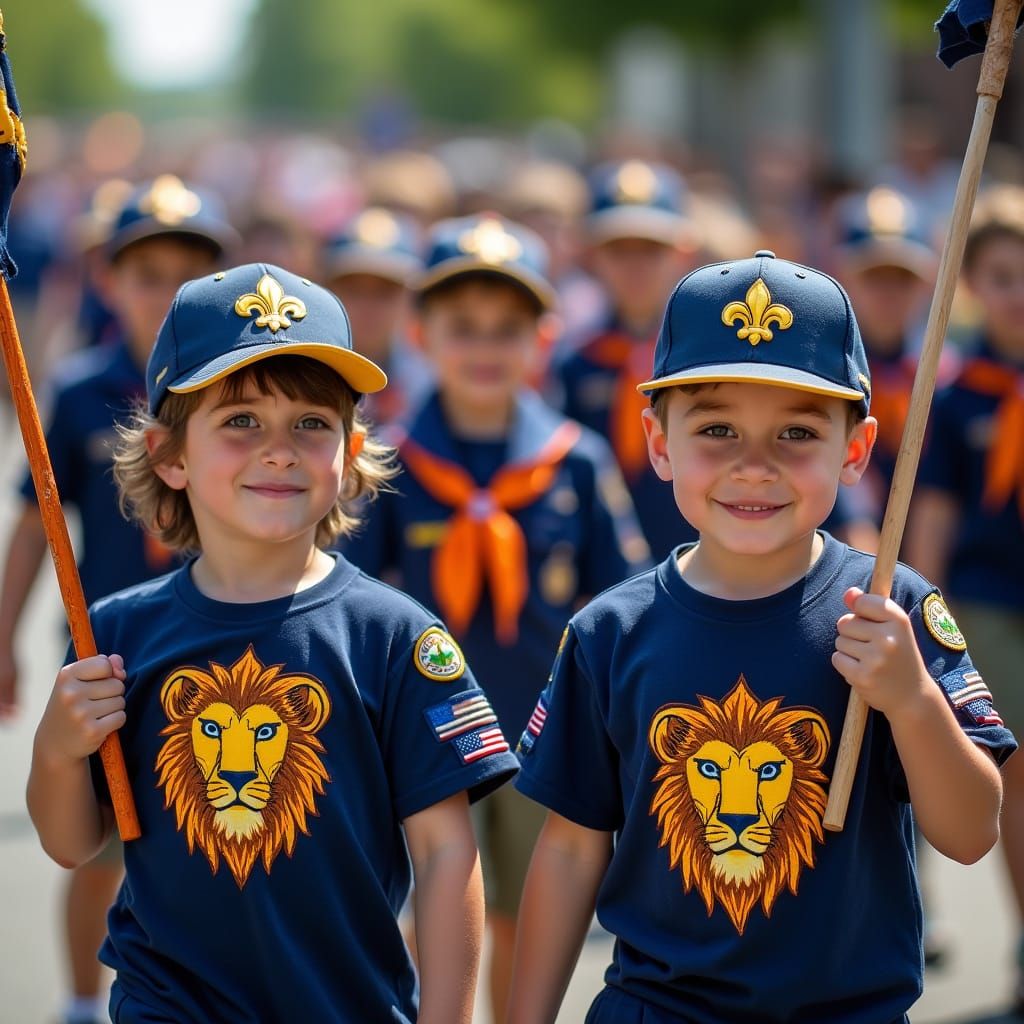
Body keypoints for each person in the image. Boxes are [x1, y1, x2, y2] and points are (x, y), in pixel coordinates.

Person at [508, 250, 1015, 1024]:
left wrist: (911, 700)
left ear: (855, 448)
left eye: (795, 434)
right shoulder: (609, 631)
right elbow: (572, 849)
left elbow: (973, 832)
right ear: (657, 441)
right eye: (717, 429)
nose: (754, 467)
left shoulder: (893, 606)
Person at [25, 262, 519, 1024]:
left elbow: (447, 853)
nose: (280, 450)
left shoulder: (394, 636)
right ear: (170, 455)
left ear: (350, 451)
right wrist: (57, 751)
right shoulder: (116, 631)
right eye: (241, 421)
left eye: (311, 424)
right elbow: (72, 843)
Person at [343, 212, 649, 1023]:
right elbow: (350, 596)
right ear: (420, 334)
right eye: (462, 328)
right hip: (420, 735)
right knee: (426, 903)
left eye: (508, 329)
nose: (485, 347)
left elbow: (621, 599)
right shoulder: (390, 460)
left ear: (542, 340)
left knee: (518, 908)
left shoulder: (574, 460)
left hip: (533, 731)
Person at [0, 174, 236, 1024]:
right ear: (108, 280)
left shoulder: (235, 394)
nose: (160, 290)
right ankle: (76, 1002)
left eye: (184, 271)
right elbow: (38, 522)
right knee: (98, 848)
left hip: (217, 655)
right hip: (109, 654)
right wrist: (3, 635)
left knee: (205, 834)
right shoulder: (76, 389)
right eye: (144, 272)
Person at [907, 185, 1024, 1016]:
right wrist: (920, 615)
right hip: (988, 601)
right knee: (1017, 773)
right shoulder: (957, 398)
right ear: (975, 286)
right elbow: (936, 515)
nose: (1020, 292)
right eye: (1003, 275)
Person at [555, 159, 699, 560]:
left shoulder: (710, 363)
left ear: (683, 252)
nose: (635, 267)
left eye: (652, 250)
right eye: (618, 250)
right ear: (591, 256)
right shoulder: (574, 365)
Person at [321, 205, 430, 426]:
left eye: (384, 292)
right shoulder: (304, 373)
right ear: (326, 291)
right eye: (354, 290)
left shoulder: (430, 380)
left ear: (410, 299)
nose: (368, 306)